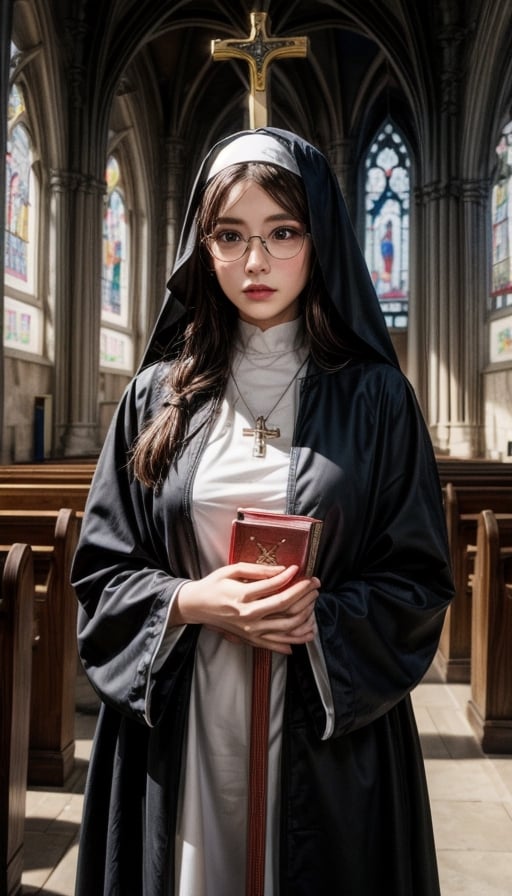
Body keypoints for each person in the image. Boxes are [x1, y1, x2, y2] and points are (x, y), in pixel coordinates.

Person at [71, 128, 454, 896]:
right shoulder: (155, 397)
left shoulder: (378, 400)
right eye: (231, 236)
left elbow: (417, 581)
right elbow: (102, 575)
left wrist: (317, 621)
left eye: (282, 233)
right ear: (201, 249)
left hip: (325, 728)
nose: (255, 263)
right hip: (185, 717)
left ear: (319, 241)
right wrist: (190, 600)